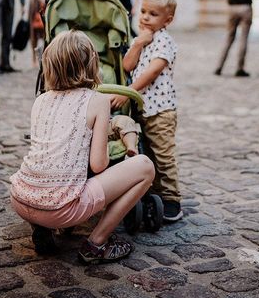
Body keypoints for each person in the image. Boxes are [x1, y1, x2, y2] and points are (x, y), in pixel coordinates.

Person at [10, 30, 154, 263]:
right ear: (91, 65)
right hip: (60, 209)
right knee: (145, 166)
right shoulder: (97, 101)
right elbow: (98, 165)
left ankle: (41, 227)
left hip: (21, 199)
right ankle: (96, 244)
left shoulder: (40, 100)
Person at [110, 0, 182, 222]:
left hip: (161, 111)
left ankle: (171, 199)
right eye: (143, 11)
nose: (145, 17)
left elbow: (153, 71)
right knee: (148, 153)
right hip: (144, 110)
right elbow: (127, 66)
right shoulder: (143, 39)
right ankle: (153, 192)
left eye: (153, 14)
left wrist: (129, 92)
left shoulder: (164, 41)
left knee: (163, 156)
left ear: (167, 20)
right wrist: (138, 43)